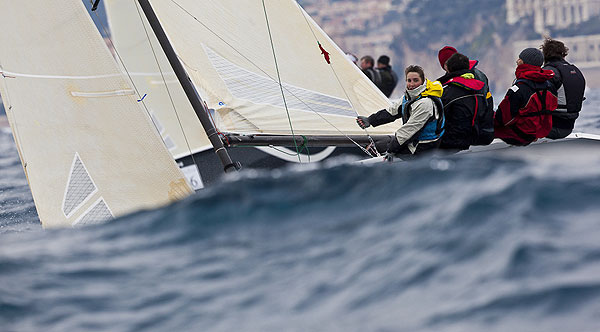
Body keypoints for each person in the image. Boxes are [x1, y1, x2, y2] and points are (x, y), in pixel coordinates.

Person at [356, 65, 444, 157]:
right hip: (411, 141)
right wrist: (370, 120)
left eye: (416, 80)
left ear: (423, 81)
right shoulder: (409, 97)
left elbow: (409, 130)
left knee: (378, 149)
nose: (412, 84)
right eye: (409, 80)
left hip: (423, 147)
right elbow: (391, 112)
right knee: (374, 146)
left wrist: (390, 151)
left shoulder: (426, 103)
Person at [494, 48, 558, 146]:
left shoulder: (518, 89)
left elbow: (502, 119)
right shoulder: (550, 86)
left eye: (520, 59)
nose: (517, 61)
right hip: (542, 132)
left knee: (487, 127)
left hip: (522, 135)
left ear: (526, 63)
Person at [437, 46, 494, 145]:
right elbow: (487, 103)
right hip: (482, 132)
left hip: (463, 137)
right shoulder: (478, 75)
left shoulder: (451, 87)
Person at [541, 38, 586, 139]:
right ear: (564, 54)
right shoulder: (575, 70)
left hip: (551, 128)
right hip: (569, 127)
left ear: (545, 54)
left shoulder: (548, 72)